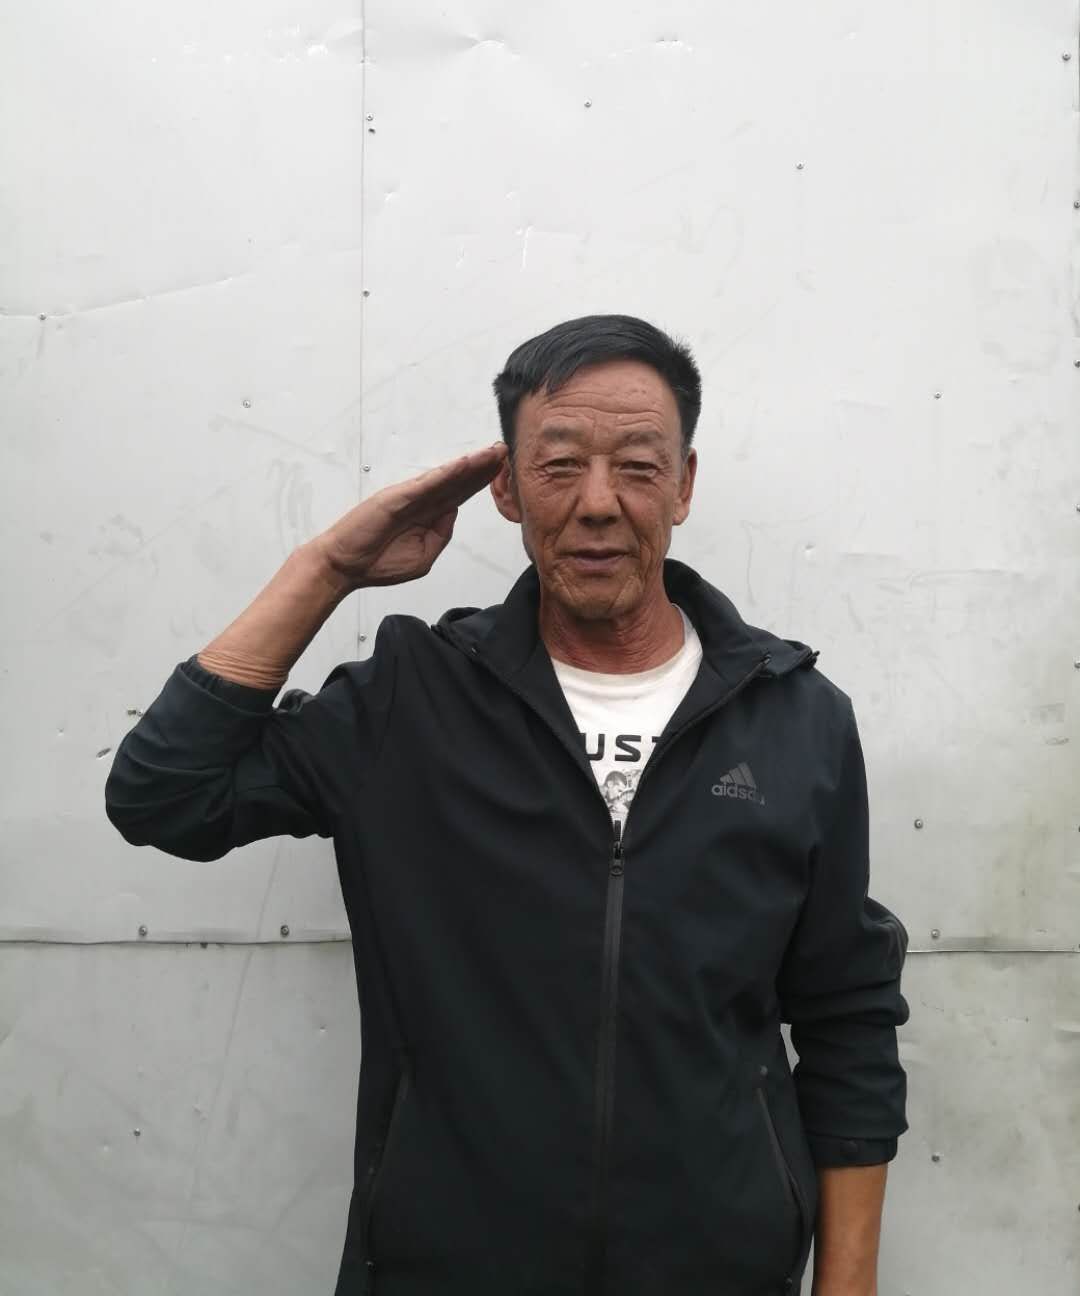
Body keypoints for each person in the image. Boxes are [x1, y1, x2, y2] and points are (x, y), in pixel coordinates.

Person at [105, 314, 908, 1296]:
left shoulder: (795, 718)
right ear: (507, 488)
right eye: (559, 465)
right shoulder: (410, 700)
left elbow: (847, 1015)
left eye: (639, 467)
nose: (599, 504)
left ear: (685, 484)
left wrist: (848, 1286)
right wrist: (329, 569)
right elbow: (163, 795)